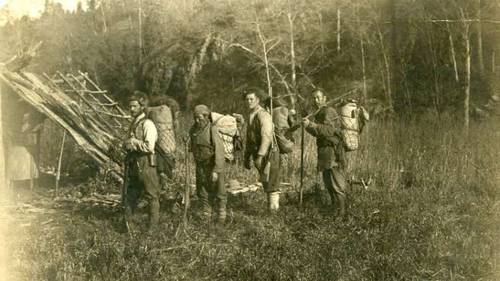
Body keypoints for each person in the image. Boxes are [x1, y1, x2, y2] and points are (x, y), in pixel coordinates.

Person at [302, 88, 348, 219]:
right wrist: (308, 126)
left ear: (324, 98)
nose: (316, 100)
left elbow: (329, 131)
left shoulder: (329, 111)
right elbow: (318, 133)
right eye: (314, 98)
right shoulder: (319, 112)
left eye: (318, 97)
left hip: (333, 151)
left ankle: (342, 214)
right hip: (323, 151)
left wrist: (313, 125)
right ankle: (335, 210)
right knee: (328, 183)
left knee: (337, 183)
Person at [123, 93, 161, 231]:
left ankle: (152, 229)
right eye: (130, 107)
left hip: (146, 163)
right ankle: (130, 227)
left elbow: (149, 147)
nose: (131, 109)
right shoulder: (133, 124)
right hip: (134, 163)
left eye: (134, 106)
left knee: (152, 195)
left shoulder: (148, 124)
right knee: (131, 194)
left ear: (142, 107)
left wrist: (133, 142)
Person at [243, 88, 281, 211]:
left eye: (251, 99)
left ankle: (274, 213)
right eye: (247, 99)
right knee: (266, 182)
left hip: (269, 154)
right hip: (258, 154)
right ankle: (271, 211)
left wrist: (260, 156)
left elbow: (267, 137)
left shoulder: (263, 115)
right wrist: (247, 156)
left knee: (272, 183)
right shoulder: (250, 115)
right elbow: (250, 139)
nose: (249, 101)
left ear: (257, 100)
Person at [189, 105, 227, 224]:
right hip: (201, 165)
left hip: (213, 164)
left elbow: (220, 151)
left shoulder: (212, 129)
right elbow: (192, 146)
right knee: (203, 191)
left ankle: (221, 218)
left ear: (206, 117)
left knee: (219, 191)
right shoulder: (193, 130)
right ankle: (206, 217)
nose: (197, 121)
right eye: (195, 118)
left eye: (199, 118)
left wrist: (216, 170)